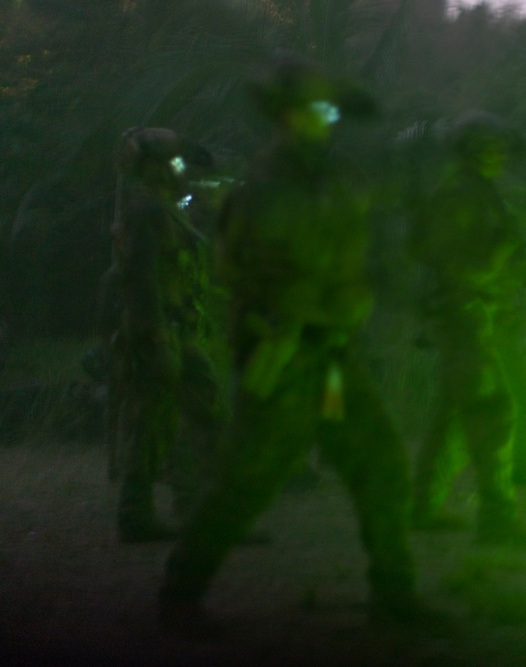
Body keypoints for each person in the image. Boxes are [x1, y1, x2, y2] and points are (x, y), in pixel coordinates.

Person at [159, 55, 435, 634]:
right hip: (283, 355)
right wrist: (287, 318)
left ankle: (394, 594)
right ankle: (178, 599)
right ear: (288, 116)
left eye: (331, 110)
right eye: (316, 110)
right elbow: (239, 273)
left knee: (379, 461)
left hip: (330, 359)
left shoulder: (331, 179)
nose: (327, 120)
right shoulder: (266, 189)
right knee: (249, 480)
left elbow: (365, 229)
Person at [408, 111, 526, 545]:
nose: (499, 155)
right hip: (461, 314)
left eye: (500, 148)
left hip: (471, 314)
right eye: (489, 148)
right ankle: (498, 518)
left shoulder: (479, 194)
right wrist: (503, 255)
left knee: (451, 416)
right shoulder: (461, 197)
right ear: (470, 152)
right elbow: (457, 269)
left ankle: (425, 507)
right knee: (493, 410)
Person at [109, 126, 224, 543]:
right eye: (174, 163)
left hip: (180, 328)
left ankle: (204, 508)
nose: (182, 170)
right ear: (154, 169)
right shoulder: (147, 212)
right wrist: (154, 333)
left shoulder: (166, 208)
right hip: (160, 331)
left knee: (206, 407)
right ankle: (135, 513)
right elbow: (141, 280)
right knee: (153, 421)